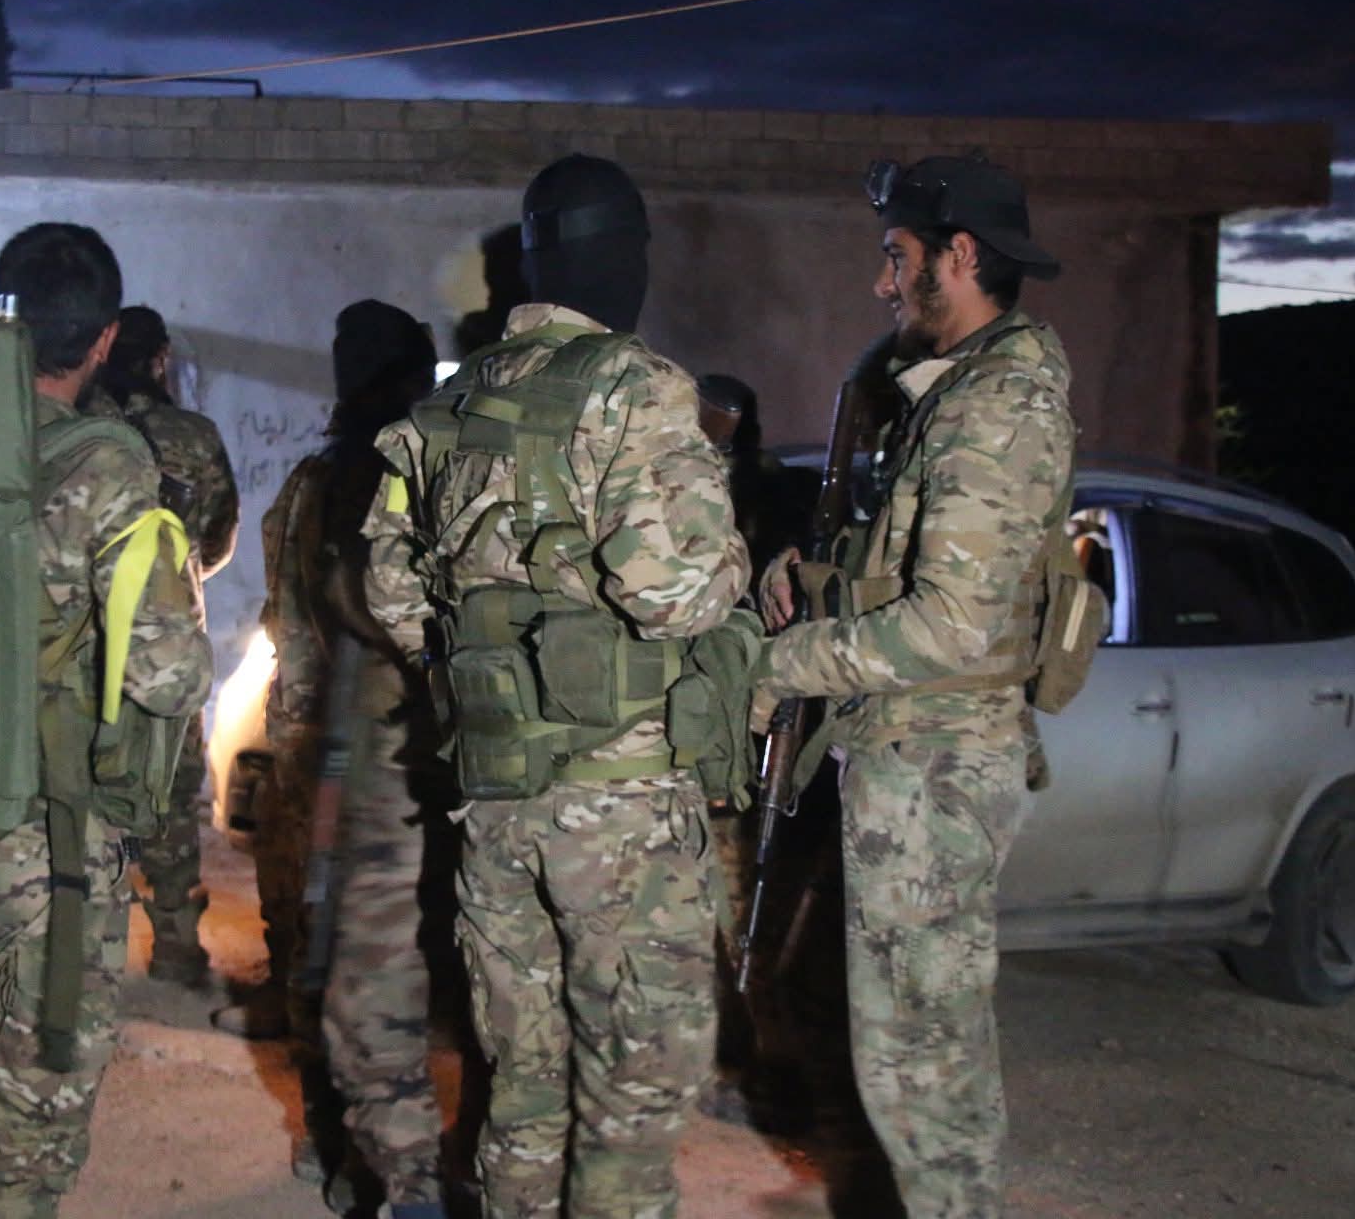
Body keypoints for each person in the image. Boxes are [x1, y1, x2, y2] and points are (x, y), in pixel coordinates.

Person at [362, 154, 750, 1216]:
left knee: (521, 1088)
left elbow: (391, 594)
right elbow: (675, 591)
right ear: (626, 261)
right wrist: (733, 554)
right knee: (633, 1099)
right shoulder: (636, 386)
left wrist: (493, 658)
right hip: (620, 809)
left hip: (496, 798)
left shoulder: (454, 398)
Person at [751, 154, 1075, 1219]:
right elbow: (901, 568)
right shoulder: (947, 389)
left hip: (937, 770)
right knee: (886, 1053)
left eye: (898, 258)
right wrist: (810, 580)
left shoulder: (997, 405)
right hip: (906, 759)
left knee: (925, 1076)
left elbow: (947, 625)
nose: (882, 282)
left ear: (960, 255)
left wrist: (778, 665)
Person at [0, 224, 213, 1216]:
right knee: (29, 1113)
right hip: (44, 828)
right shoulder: (104, 466)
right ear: (105, 340)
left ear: (1, 318)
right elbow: (170, 675)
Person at [260, 299, 448, 1216]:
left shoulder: (316, 480)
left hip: (327, 744)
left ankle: (341, 1147)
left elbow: (288, 616)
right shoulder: (416, 471)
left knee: (327, 949)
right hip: (399, 750)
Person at [92, 305, 239, 988]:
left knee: (84, 788)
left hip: (82, 648)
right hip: (168, 645)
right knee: (173, 795)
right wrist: (173, 579)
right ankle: (176, 944)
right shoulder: (192, 435)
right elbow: (218, 539)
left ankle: (92, 945)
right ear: (160, 359)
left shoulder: (79, 429)